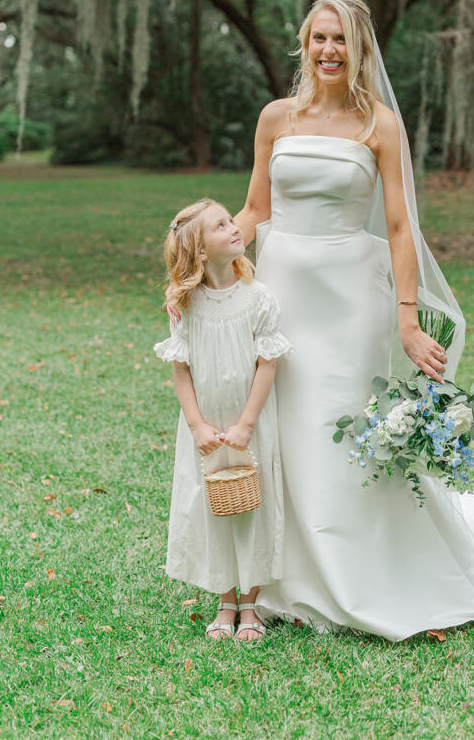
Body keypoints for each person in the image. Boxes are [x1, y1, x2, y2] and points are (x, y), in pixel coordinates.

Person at [169, 0, 474, 641]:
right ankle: (272, 577)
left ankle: (353, 573)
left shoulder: (378, 124)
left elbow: (400, 228)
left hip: (350, 297)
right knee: (280, 425)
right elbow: (255, 208)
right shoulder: (276, 118)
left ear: (359, 49)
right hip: (281, 287)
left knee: (335, 428)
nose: (327, 51)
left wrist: (406, 318)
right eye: (318, 38)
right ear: (303, 42)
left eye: (340, 40)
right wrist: (193, 267)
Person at [154, 198, 292, 642]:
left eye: (231, 220)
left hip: (248, 424)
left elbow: (267, 363)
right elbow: (182, 369)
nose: (235, 228)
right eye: (221, 226)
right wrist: (197, 426)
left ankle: (251, 604)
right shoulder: (186, 305)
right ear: (199, 251)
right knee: (214, 507)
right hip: (207, 428)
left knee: (252, 502)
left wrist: (247, 425)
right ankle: (225, 598)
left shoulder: (257, 298)